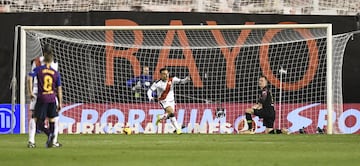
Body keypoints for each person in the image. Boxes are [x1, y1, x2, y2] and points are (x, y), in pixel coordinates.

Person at [27, 44, 63, 148]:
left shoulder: (36, 62)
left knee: (35, 117)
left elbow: (30, 77)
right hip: (50, 93)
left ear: (43, 52)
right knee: (54, 117)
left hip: (38, 92)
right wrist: (60, 101)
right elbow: (58, 85)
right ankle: (53, 140)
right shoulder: (54, 63)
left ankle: (32, 141)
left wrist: (30, 92)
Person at [147, 68, 190, 134]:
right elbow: (150, 90)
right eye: (164, 74)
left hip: (172, 101)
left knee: (170, 114)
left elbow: (181, 81)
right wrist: (150, 97)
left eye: (167, 74)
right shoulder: (157, 83)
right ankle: (178, 130)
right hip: (163, 101)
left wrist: (186, 79)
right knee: (171, 112)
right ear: (161, 75)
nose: (166, 75)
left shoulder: (172, 79)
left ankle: (161, 116)